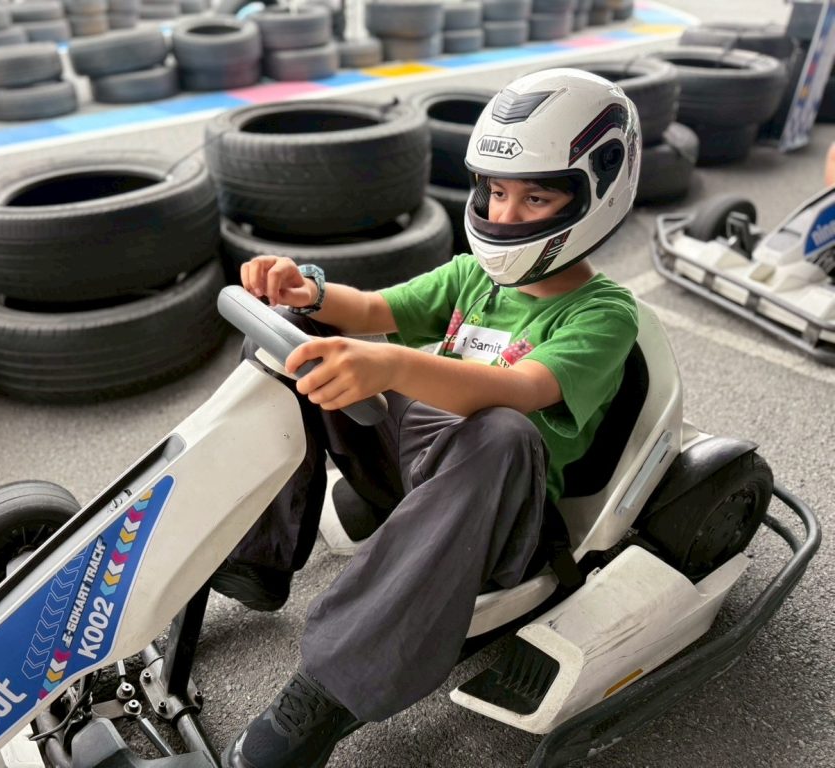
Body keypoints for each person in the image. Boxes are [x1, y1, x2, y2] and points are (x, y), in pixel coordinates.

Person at [213, 68, 642, 768]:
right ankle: (248, 559)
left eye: (535, 197)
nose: (506, 215)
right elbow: (372, 310)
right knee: (297, 344)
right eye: (497, 193)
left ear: (594, 194)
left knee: (501, 431)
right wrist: (303, 289)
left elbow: (522, 389)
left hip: (503, 514)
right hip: (421, 468)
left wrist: (390, 366)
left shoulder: (604, 314)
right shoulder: (473, 275)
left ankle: (327, 690)